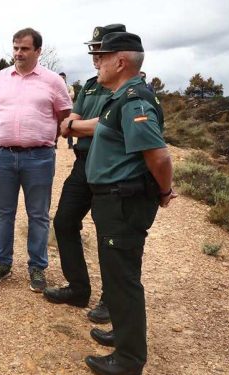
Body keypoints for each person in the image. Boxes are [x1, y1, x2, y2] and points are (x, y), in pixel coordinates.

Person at [83, 32, 177, 375]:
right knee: (119, 272)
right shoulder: (120, 97)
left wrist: (165, 192)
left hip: (123, 202)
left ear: (120, 62)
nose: (97, 62)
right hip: (114, 200)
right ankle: (123, 335)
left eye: (102, 57)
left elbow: (159, 156)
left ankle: (129, 360)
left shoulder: (134, 100)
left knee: (122, 279)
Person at [44, 24, 126, 326]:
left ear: (117, 54)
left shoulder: (129, 89)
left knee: (110, 237)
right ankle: (78, 288)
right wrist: (83, 125)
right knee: (64, 221)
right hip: (83, 163)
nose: (95, 55)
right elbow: (69, 123)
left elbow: (106, 126)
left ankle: (111, 299)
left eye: (101, 50)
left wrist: (81, 125)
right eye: (93, 49)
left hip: (112, 167)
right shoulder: (91, 86)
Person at [0, 28, 72, 293]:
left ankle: (37, 267)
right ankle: (2, 263)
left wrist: (43, 139)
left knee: (38, 215)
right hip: (2, 157)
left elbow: (64, 116)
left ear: (37, 51)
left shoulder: (53, 81)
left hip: (40, 158)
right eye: (15, 48)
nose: (18, 53)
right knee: (3, 213)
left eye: (24, 48)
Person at [59, 72, 76, 148]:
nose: (61, 79)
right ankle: (54, 144)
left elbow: (72, 95)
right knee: (56, 124)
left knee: (69, 125)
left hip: (68, 108)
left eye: (63, 77)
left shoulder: (69, 87)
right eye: (60, 77)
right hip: (58, 109)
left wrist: (61, 96)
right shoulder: (55, 86)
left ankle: (70, 144)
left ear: (65, 78)